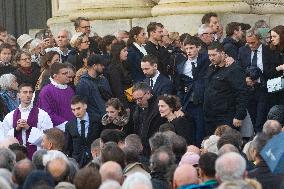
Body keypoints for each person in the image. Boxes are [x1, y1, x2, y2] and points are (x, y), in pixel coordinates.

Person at [204, 42, 248, 135]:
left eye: (214, 55)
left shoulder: (234, 69)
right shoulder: (211, 68)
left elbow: (242, 93)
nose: (211, 58)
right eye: (209, 55)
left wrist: (239, 115)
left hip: (226, 116)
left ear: (223, 54)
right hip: (210, 116)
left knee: (228, 144)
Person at [2, 83, 53, 159]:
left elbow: (48, 137)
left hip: (37, 154)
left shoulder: (42, 115)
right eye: (25, 92)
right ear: (18, 95)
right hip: (15, 156)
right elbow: (5, 138)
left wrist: (29, 128)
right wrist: (16, 129)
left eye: (30, 92)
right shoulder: (10, 116)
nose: (28, 95)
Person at [176, 36, 211, 146]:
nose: (189, 51)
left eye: (191, 48)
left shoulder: (206, 59)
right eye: (186, 49)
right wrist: (179, 105)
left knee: (201, 131)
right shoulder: (181, 66)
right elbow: (179, 87)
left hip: (203, 102)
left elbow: (219, 56)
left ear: (198, 47)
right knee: (189, 131)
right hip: (188, 104)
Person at [65, 95, 102, 167]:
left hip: (95, 159)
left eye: (78, 108)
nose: (76, 112)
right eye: (73, 110)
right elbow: (68, 146)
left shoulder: (97, 120)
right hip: (77, 161)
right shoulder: (69, 125)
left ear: (85, 106)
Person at [132, 82, 167, 157]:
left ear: (148, 93)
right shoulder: (138, 108)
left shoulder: (159, 106)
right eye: (135, 100)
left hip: (156, 150)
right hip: (142, 151)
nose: (138, 102)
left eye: (140, 99)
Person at [37, 63, 75, 131]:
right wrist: (66, 124)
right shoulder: (46, 91)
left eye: (67, 73)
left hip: (73, 128)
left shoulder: (70, 90)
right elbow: (46, 113)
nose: (68, 75)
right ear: (55, 76)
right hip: (56, 131)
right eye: (64, 73)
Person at [76, 54, 112, 118]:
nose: (103, 67)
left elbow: (109, 98)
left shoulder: (103, 79)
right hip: (94, 122)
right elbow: (83, 106)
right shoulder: (83, 84)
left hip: (108, 118)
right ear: (94, 66)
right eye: (101, 65)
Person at [108, 42, 133, 106]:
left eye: (126, 51)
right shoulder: (114, 68)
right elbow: (117, 89)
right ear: (117, 52)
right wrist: (125, 105)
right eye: (124, 51)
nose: (127, 53)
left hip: (130, 98)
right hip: (124, 102)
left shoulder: (124, 64)